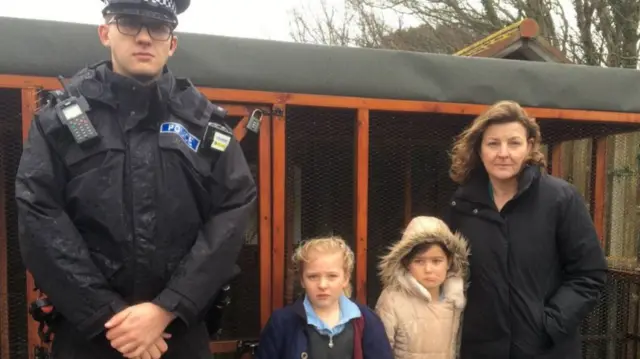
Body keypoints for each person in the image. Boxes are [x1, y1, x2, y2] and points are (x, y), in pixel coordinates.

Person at [15, 0, 257, 358]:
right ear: (104, 32)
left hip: (177, 332)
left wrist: (166, 308)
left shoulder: (205, 125)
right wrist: (106, 314)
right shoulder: (58, 123)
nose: (144, 38)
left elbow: (233, 211)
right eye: (129, 22)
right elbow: (39, 217)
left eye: (158, 27)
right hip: (90, 335)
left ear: (171, 43)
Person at [442, 100, 607, 359]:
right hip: (480, 349)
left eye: (514, 143)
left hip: (545, 350)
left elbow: (589, 274)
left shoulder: (560, 199)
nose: (503, 153)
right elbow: (446, 271)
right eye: (493, 143)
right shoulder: (462, 205)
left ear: (530, 146)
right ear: (480, 149)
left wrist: (549, 324)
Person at [255, 236, 393, 359]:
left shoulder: (367, 321)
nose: (322, 285)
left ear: (345, 278)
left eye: (332, 276)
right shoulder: (282, 322)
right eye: (313, 276)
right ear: (302, 280)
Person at [375, 216, 469, 359]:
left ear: (449, 261)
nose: (428, 269)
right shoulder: (392, 299)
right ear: (406, 262)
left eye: (436, 261)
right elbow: (379, 350)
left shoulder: (455, 299)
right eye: (419, 261)